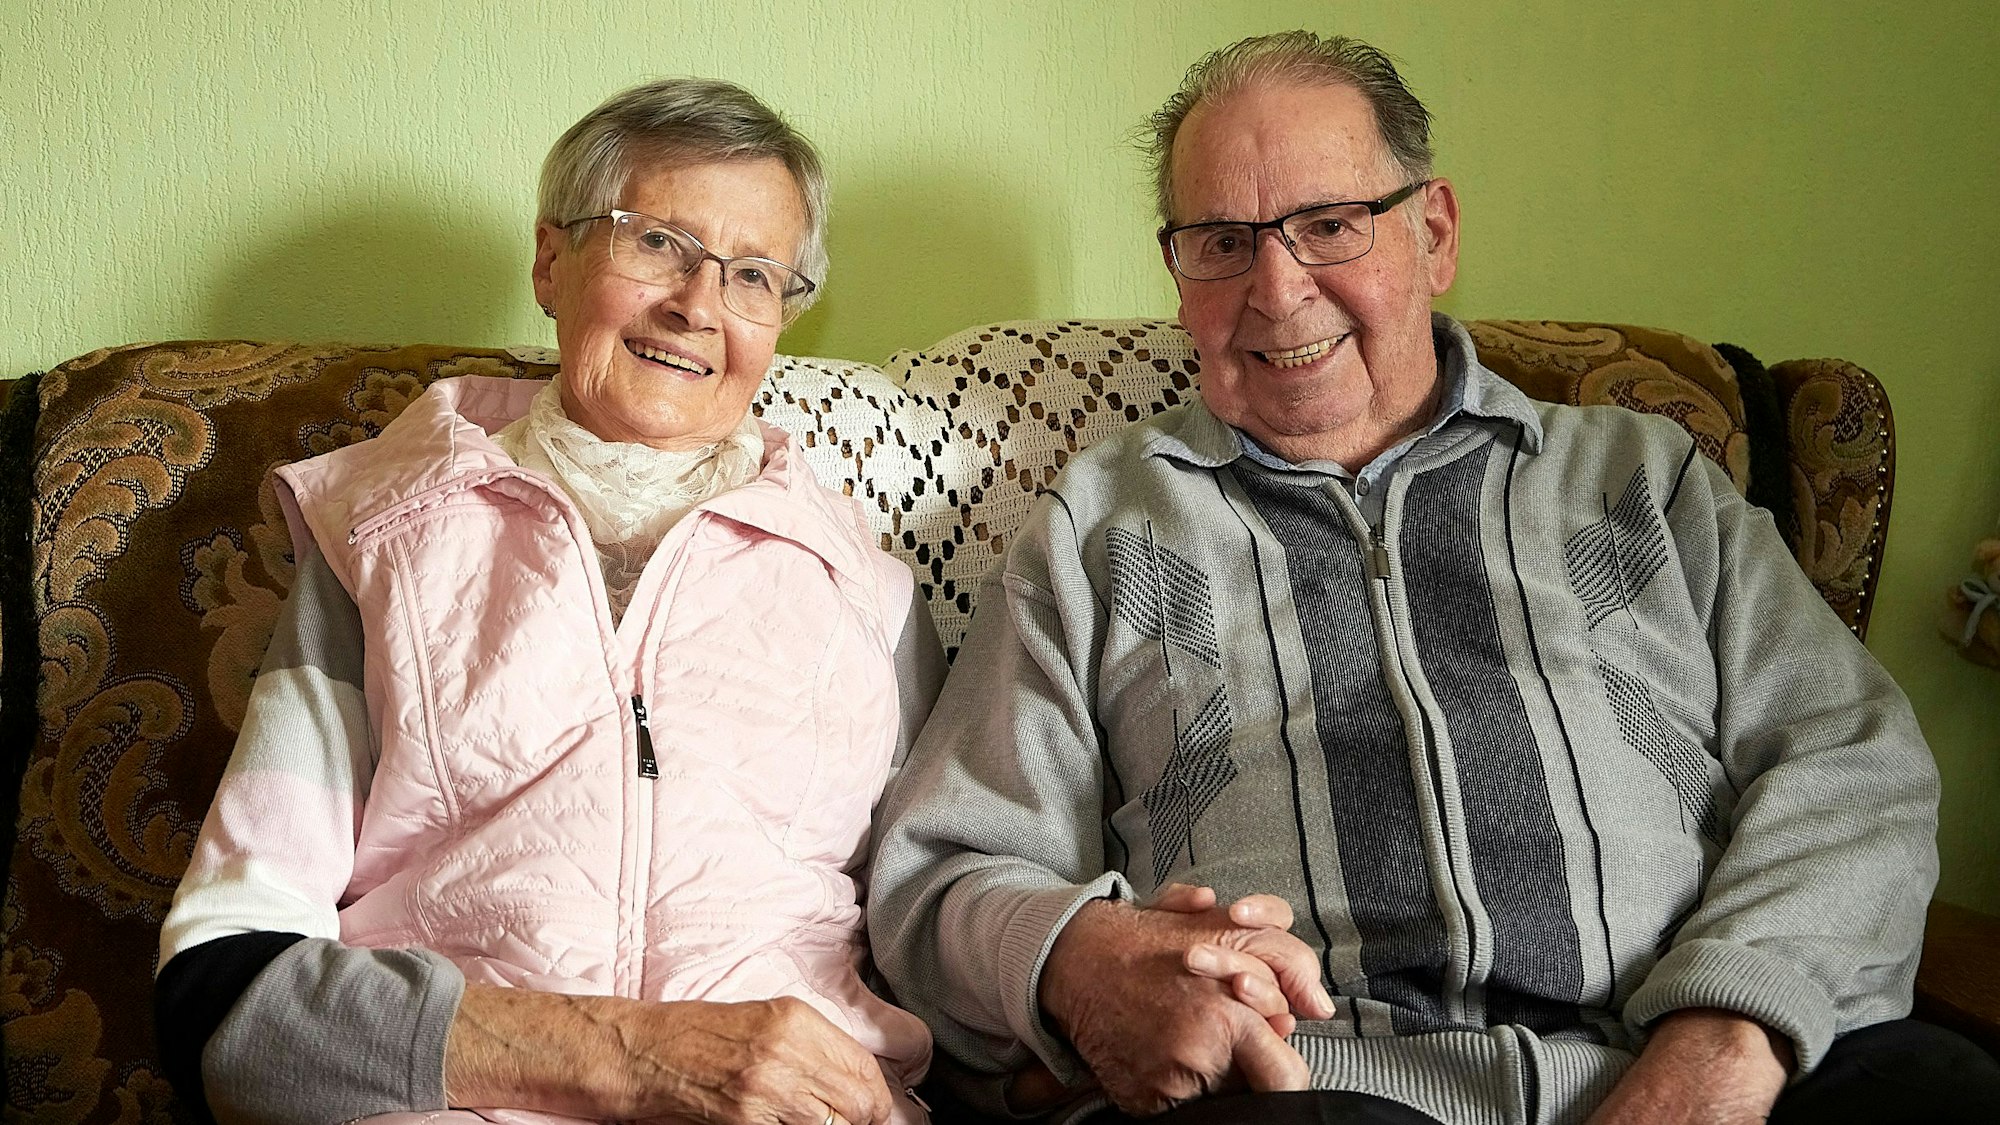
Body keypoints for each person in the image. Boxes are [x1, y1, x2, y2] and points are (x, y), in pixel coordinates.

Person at [867, 30, 2000, 1125]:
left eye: (1328, 224)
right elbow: (944, 875)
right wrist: (1076, 956)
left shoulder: (1640, 480)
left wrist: (1725, 1036)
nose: (1275, 286)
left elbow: (1850, 769)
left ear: (1434, 233)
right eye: (1219, 240)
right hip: (1307, 1095)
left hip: (1694, 1063)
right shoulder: (1101, 521)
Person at [155, 78, 940, 1125]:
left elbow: (948, 938)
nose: (697, 305)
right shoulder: (377, 545)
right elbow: (225, 993)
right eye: (656, 241)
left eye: (753, 274)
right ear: (548, 260)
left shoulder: (869, 592)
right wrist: (627, 1056)